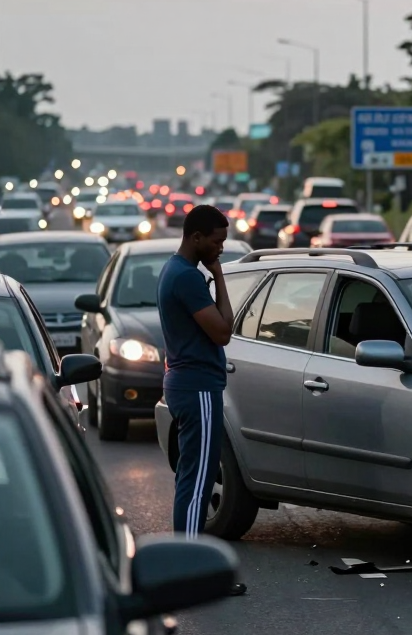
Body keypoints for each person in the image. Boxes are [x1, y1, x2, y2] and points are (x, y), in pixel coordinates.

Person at [157, 204, 247, 596]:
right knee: (198, 482)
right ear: (195, 237)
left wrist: (219, 274)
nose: (221, 248)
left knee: (191, 478)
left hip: (185, 383)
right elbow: (223, 332)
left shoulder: (177, 271)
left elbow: (226, 324)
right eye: (216, 241)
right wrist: (218, 278)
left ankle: (185, 569)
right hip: (197, 388)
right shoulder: (186, 278)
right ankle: (193, 573)